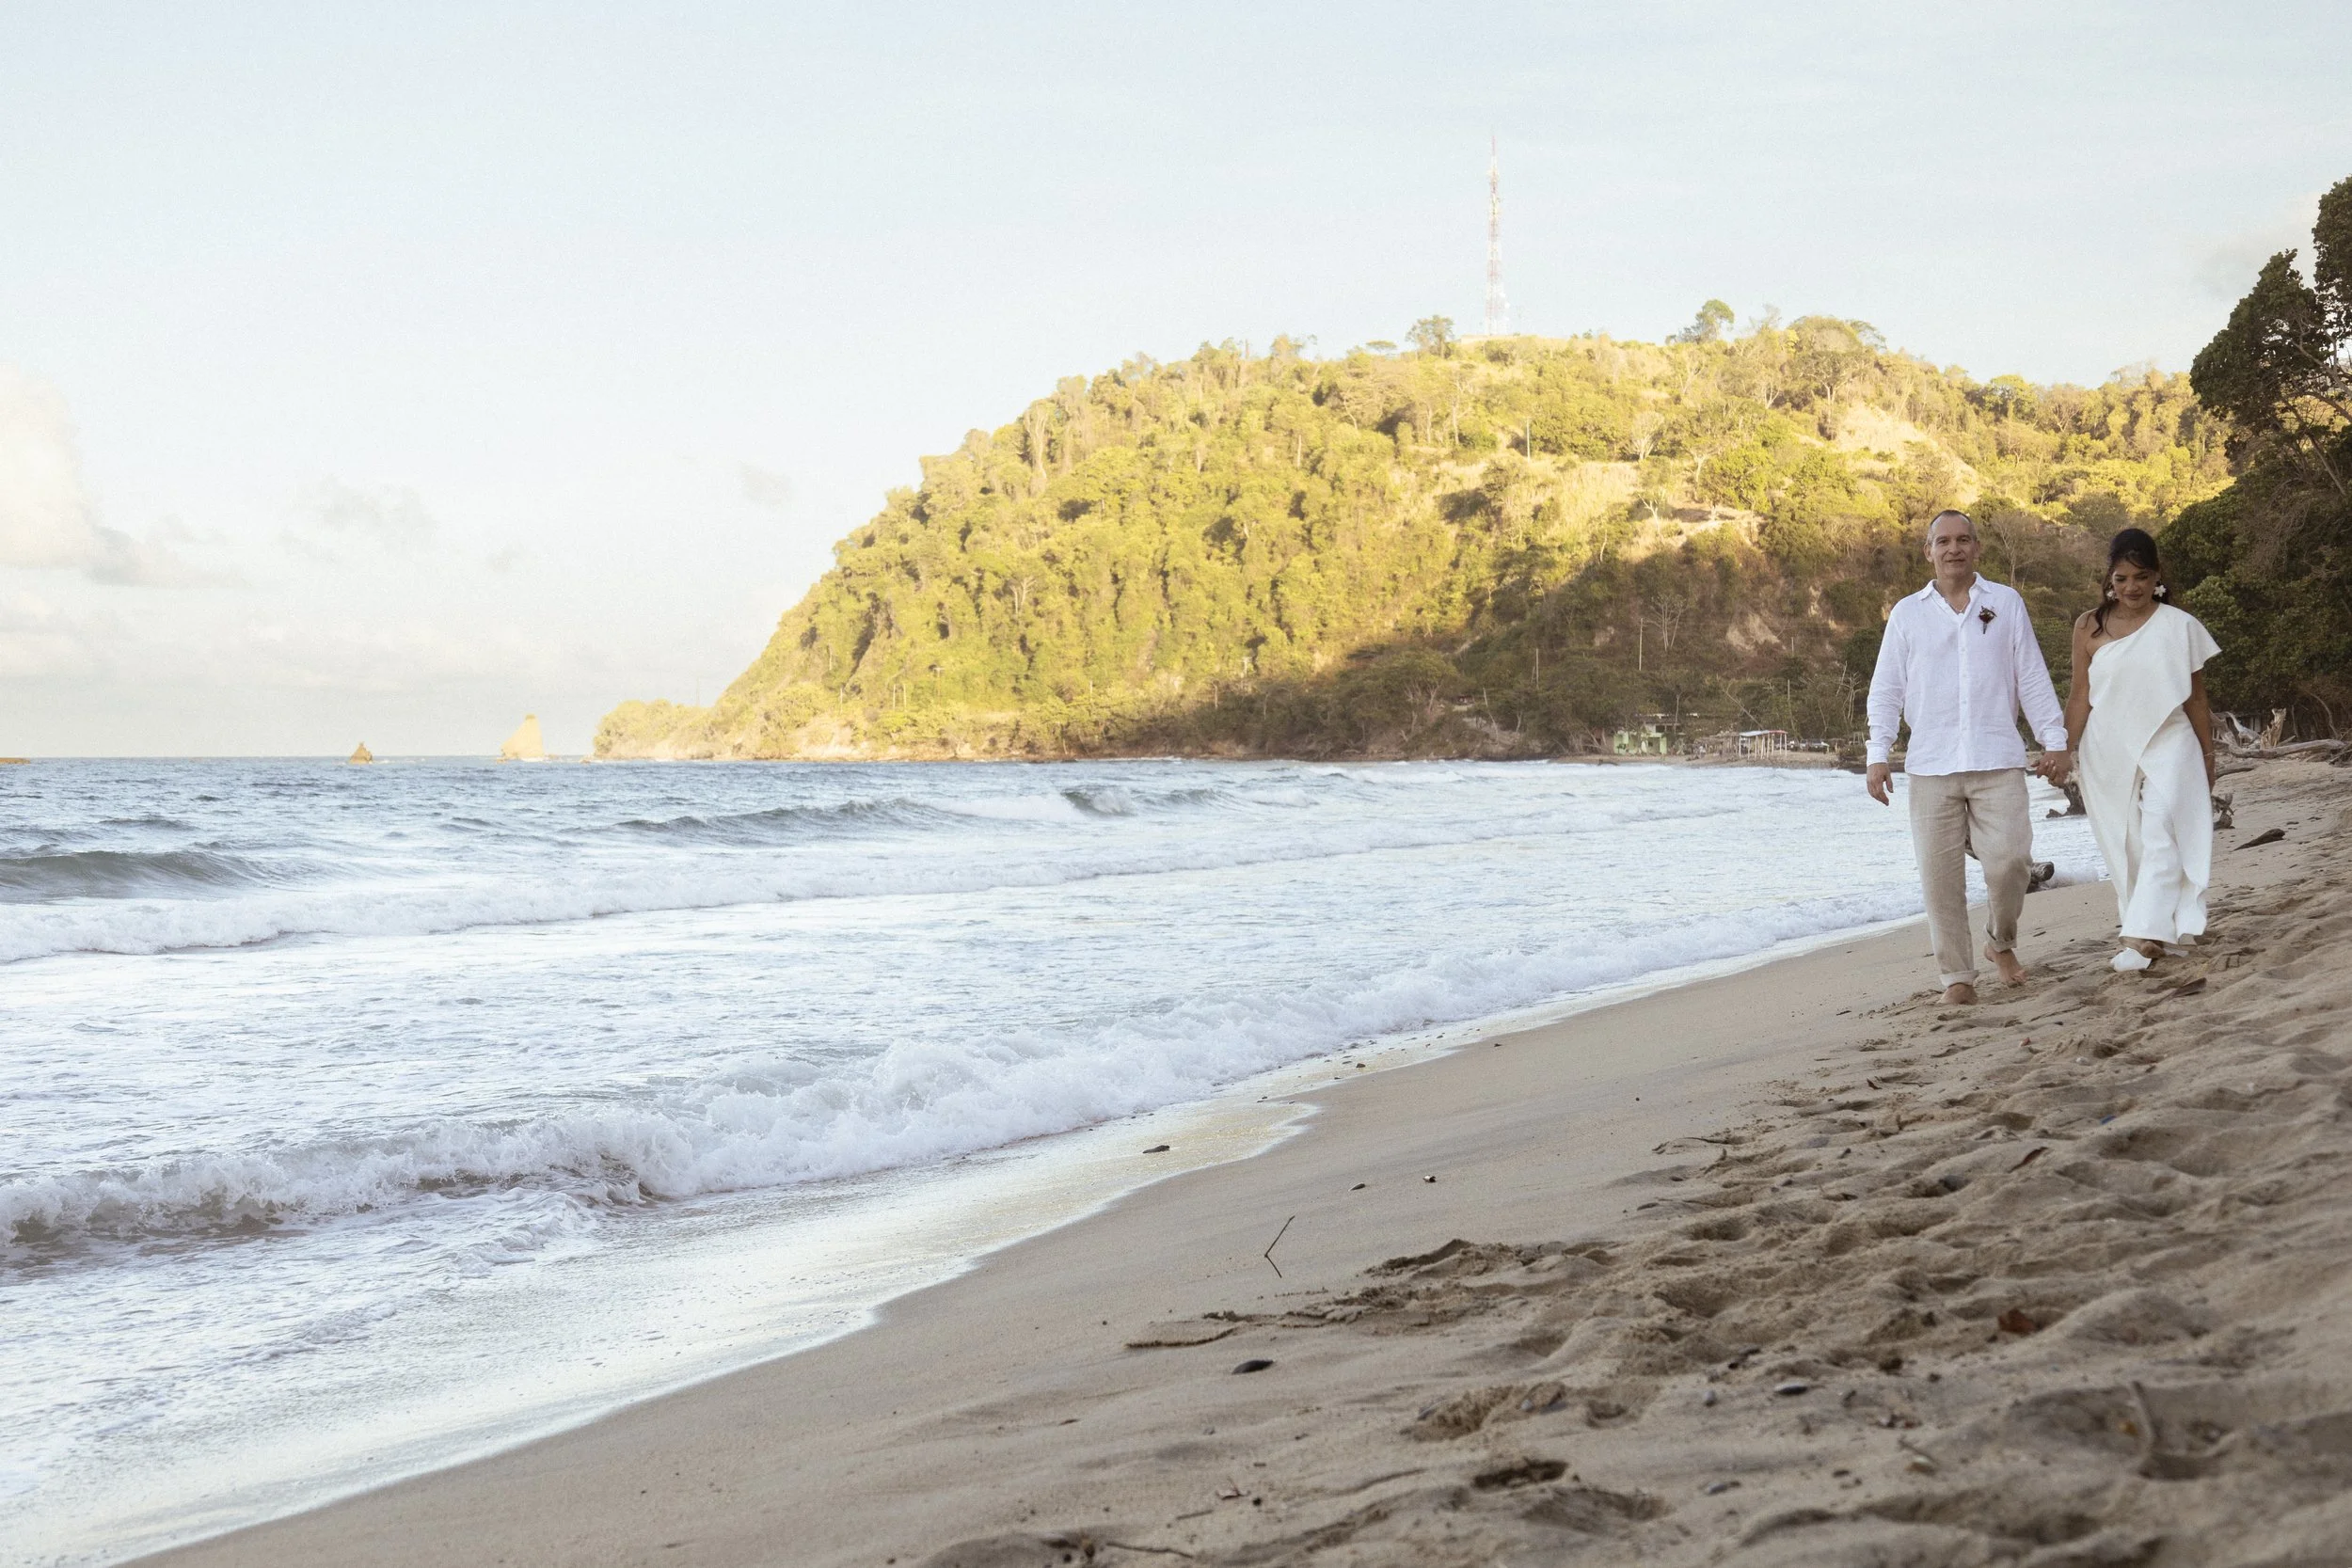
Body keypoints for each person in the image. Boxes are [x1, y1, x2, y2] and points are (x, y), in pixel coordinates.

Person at [1866, 509, 2072, 1005]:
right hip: (1931, 765)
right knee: (1940, 881)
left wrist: (2055, 740)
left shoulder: (2005, 602)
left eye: (1964, 540)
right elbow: (1887, 688)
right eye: (1944, 541)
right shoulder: (1907, 614)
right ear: (1928, 551)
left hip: (1997, 758)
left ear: (1977, 548)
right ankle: (1956, 978)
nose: (1954, 549)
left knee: (2010, 864)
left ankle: (2000, 942)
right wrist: (1877, 753)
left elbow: (2032, 676)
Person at [2064, 528, 2221, 973]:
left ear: (2158, 577)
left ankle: (2141, 932)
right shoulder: (2087, 626)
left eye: (2142, 577)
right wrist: (2061, 750)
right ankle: (2150, 928)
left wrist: (2209, 758)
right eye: (2122, 578)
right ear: (2109, 579)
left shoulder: (2179, 626)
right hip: (2107, 748)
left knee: (2162, 829)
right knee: (2125, 839)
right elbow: (2080, 697)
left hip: (2170, 739)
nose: (2132, 587)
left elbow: (2196, 698)